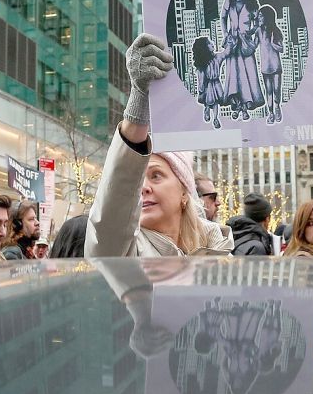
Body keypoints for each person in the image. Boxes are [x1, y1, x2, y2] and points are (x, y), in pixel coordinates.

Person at [85, 33, 234, 258]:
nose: (142, 187)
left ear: (185, 192)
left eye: (156, 175)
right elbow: (111, 216)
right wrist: (139, 100)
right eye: (139, 178)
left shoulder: (219, 250)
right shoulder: (122, 253)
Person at [221, 0, 264, 121]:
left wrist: (251, 32)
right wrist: (226, 33)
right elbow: (223, 17)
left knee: (248, 75)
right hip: (232, 43)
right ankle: (238, 106)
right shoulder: (229, 0)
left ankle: (245, 107)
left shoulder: (251, 3)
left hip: (246, 44)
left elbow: (258, 22)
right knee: (234, 76)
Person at [254, 4, 285, 124]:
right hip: (265, 67)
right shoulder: (258, 31)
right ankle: (271, 113)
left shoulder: (275, 31)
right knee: (269, 91)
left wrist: (273, 43)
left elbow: (281, 49)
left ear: (267, 17)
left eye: (261, 16)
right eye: (259, 16)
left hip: (276, 66)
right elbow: (253, 46)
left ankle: (277, 108)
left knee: (277, 90)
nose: (259, 18)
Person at [191, 36, 229, 129]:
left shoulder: (217, 57)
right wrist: (201, 88)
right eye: (209, 43)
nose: (212, 44)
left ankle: (215, 118)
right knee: (209, 100)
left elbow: (226, 53)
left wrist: (228, 42)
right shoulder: (203, 63)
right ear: (205, 48)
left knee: (216, 102)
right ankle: (207, 109)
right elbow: (201, 77)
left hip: (216, 83)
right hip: (208, 84)